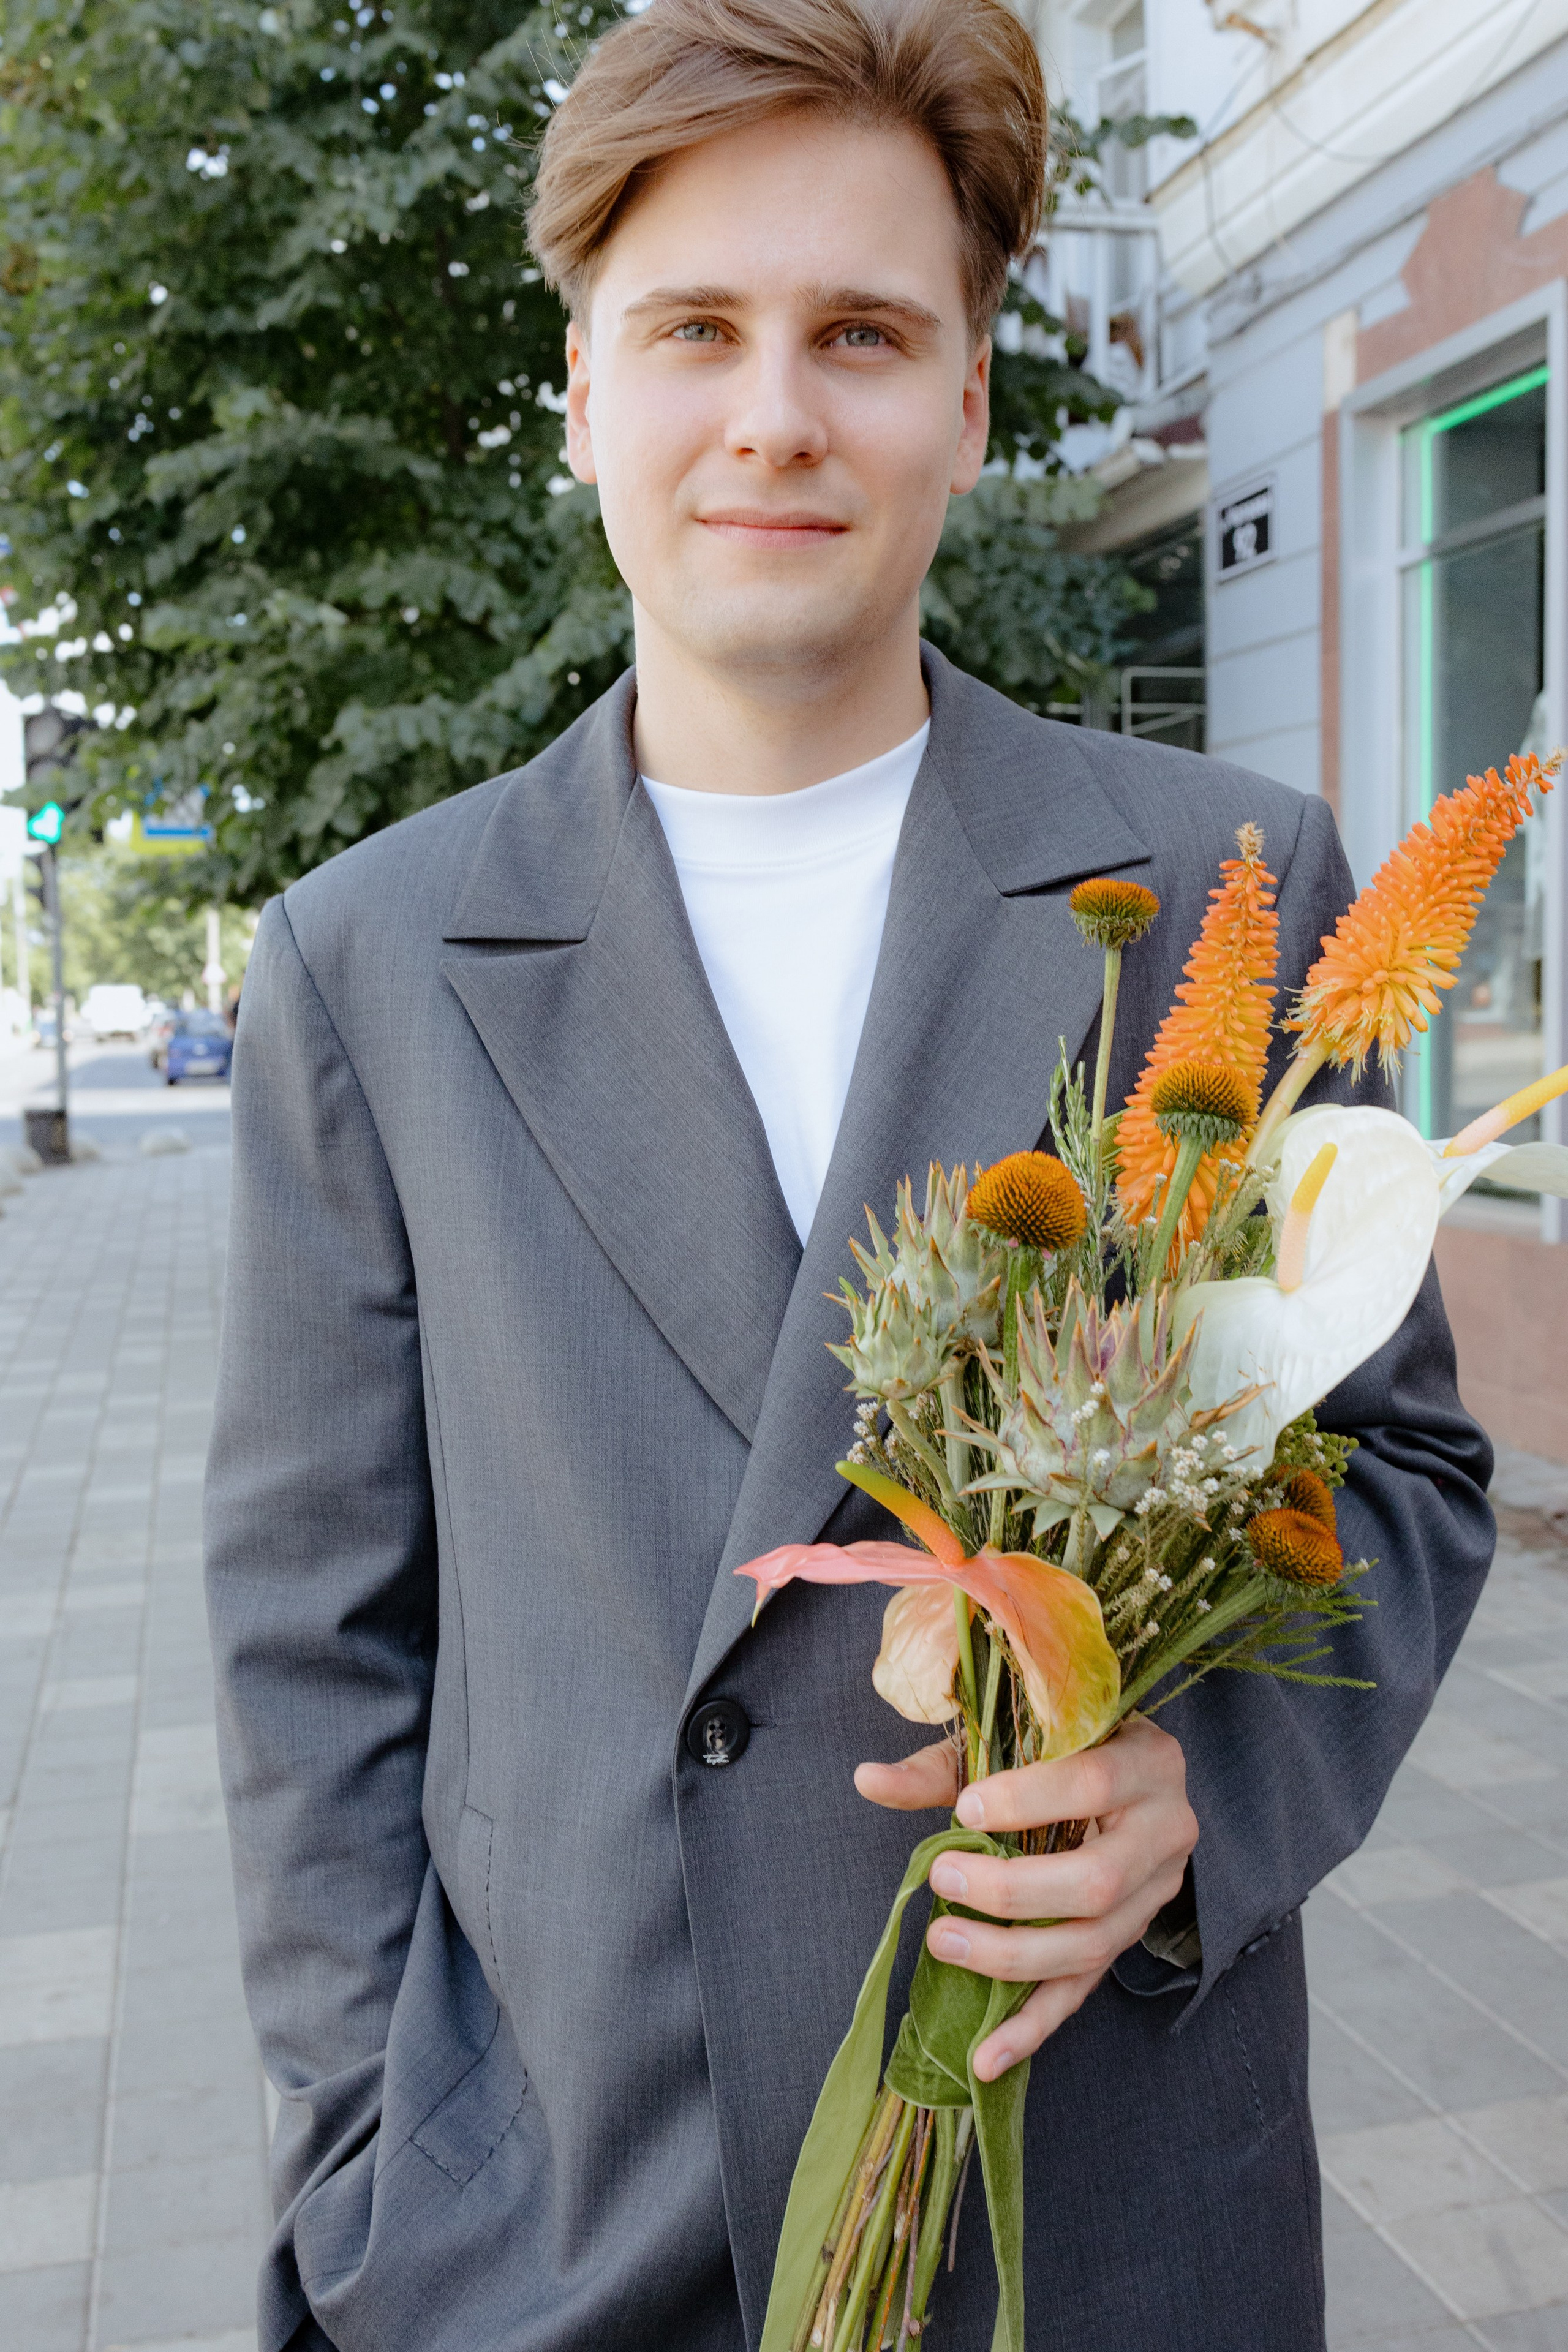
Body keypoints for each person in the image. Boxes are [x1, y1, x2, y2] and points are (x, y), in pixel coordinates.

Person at [203, 2, 1494, 2346]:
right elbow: (318, 1640)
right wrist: (371, 2174)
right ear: (581, 389)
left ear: (972, 403)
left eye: (866, 336)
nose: (777, 414)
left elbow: (1398, 1469)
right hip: (566, 2224)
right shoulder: (370, 960)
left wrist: (1203, 1791)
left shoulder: (1224, 889)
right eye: (695, 328)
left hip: (1095, 2195)